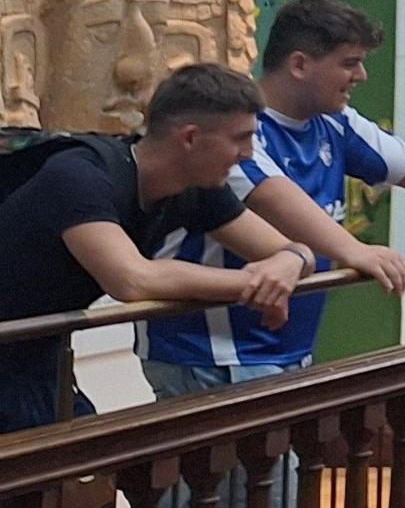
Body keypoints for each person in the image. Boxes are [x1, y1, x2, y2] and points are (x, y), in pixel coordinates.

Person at [140, 0, 405, 399]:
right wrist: (354, 250)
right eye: (348, 63)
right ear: (299, 65)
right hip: (214, 352)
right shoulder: (239, 131)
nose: (361, 75)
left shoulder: (335, 122)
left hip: (281, 347)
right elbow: (273, 196)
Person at [0, 66, 309, 432]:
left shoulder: (199, 190)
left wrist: (290, 262)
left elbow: (287, 250)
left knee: (88, 477)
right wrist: (253, 285)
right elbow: (132, 279)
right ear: (190, 138)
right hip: (18, 356)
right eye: (240, 139)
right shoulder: (80, 175)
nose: (247, 154)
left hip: (35, 359)